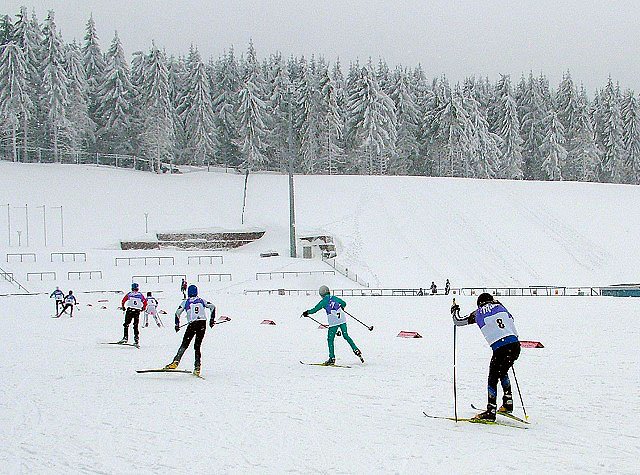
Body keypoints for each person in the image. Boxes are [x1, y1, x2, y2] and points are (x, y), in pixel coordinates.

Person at [452, 292, 521, 421]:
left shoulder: (478, 312)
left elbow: (458, 321)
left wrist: (454, 310)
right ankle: (508, 403)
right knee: (502, 371)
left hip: (500, 347)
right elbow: (511, 319)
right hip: (515, 345)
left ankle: (491, 411)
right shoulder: (500, 306)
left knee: (493, 377)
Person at [302, 285, 362, 366]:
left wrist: (307, 312)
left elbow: (315, 309)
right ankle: (355, 349)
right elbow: (344, 303)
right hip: (342, 320)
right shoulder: (334, 298)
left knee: (330, 339)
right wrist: (342, 307)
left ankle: (332, 358)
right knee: (346, 336)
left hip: (333, 322)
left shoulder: (323, 301)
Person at [164, 285, 215, 376]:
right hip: (202, 323)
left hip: (192, 324)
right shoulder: (202, 300)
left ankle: (175, 362)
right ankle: (197, 368)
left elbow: (177, 313)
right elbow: (212, 307)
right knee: (197, 346)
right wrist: (211, 320)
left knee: (184, 344)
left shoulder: (186, 302)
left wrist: (177, 324)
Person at [118, 282, 147, 347]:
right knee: (135, 325)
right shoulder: (140, 295)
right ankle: (136, 340)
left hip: (130, 310)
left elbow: (123, 300)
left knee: (126, 324)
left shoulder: (129, 294)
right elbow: (145, 302)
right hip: (137, 311)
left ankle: (125, 338)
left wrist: (123, 307)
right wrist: (143, 308)